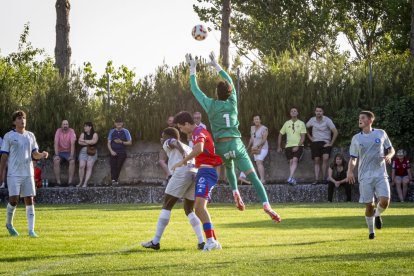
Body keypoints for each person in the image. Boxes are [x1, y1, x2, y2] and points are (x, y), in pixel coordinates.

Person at [186, 52, 281, 223]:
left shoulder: (211, 104)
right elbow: (229, 81)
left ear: (216, 93)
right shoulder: (233, 102)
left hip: (221, 147)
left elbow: (195, 89)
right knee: (253, 177)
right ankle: (267, 205)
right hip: (236, 144)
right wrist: (217, 66)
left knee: (229, 167)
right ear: (230, 92)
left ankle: (235, 192)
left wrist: (193, 68)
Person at [141, 127, 204, 250]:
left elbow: (174, 142)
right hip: (194, 173)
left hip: (182, 172)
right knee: (189, 209)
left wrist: (181, 152)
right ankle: (201, 241)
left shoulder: (169, 142)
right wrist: (184, 152)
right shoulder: (188, 146)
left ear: (167, 136)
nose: (161, 138)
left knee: (167, 205)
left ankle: (155, 241)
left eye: (163, 135)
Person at [171, 111, 223, 251]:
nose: (181, 130)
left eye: (181, 127)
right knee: (200, 208)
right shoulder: (198, 132)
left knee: (199, 207)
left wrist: (183, 161)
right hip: (204, 172)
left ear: (187, 124)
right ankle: (213, 241)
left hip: (207, 172)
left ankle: (211, 241)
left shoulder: (197, 132)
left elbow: (199, 149)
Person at [347, 111, 395, 240]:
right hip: (365, 176)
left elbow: (391, 149)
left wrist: (389, 156)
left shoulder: (381, 133)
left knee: (385, 201)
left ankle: (377, 214)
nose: (360, 120)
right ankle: (371, 232)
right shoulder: (356, 138)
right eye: (359, 118)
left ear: (370, 120)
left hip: (380, 173)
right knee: (369, 205)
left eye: (362, 118)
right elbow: (353, 158)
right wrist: (350, 171)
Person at [0, 110, 48, 237]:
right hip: (14, 174)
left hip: (28, 173)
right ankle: (9, 224)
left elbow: (34, 154)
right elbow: (4, 156)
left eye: (24, 118)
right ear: (14, 121)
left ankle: (31, 230)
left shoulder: (30, 136)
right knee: (14, 200)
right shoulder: (8, 136)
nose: (22, 120)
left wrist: (42, 154)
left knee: (30, 199)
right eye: (19, 118)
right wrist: (1, 174)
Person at [306, 106, 338, 184]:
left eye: (320, 111)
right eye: (317, 111)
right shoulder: (312, 120)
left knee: (325, 158)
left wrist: (330, 144)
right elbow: (304, 128)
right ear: (315, 112)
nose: (318, 113)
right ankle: (316, 179)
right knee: (316, 160)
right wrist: (310, 138)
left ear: (323, 112)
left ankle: (324, 178)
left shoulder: (327, 120)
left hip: (325, 142)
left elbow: (335, 132)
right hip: (315, 142)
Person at [277, 107, 307, 185]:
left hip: (298, 145)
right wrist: (279, 146)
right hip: (288, 146)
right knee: (290, 162)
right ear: (290, 113)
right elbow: (280, 134)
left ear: (297, 113)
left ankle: (290, 177)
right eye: (292, 111)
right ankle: (292, 179)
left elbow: (303, 137)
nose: (293, 112)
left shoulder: (301, 123)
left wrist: (298, 146)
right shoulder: (287, 123)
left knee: (295, 160)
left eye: (295, 111)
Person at [107, 118, 132, 185]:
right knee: (113, 166)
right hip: (113, 151)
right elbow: (108, 143)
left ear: (122, 123)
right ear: (115, 124)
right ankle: (113, 181)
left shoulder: (126, 131)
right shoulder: (112, 131)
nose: (118, 123)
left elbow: (130, 143)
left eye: (120, 122)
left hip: (121, 151)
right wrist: (111, 151)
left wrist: (121, 142)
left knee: (118, 165)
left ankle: (115, 180)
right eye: (117, 122)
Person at [246, 114, 269, 183]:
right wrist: (247, 147)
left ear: (260, 120)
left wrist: (258, 146)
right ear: (253, 121)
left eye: (257, 119)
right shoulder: (252, 128)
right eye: (255, 119)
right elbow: (251, 139)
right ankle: (260, 179)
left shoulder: (264, 128)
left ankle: (262, 179)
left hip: (263, 148)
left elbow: (264, 139)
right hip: (255, 149)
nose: (256, 120)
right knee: (257, 163)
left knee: (259, 161)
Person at [53, 120, 76, 186]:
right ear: (61, 125)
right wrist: (57, 155)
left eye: (66, 124)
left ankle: (70, 182)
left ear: (68, 125)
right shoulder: (58, 131)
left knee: (72, 161)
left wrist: (71, 155)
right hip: (60, 152)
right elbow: (56, 143)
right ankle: (58, 182)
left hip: (69, 152)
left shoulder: (72, 131)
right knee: (56, 161)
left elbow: (73, 144)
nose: (65, 126)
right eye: (64, 124)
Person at [77, 122, 99, 188]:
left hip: (92, 151)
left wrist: (84, 141)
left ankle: (85, 183)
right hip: (83, 152)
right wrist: (89, 142)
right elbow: (79, 142)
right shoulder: (83, 134)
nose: (85, 127)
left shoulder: (95, 134)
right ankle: (80, 182)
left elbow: (94, 142)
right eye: (84, 126)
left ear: (90, 127)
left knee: (89, 166)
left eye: (86, 126)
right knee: (81, 166)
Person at [159, 116, 175, 185]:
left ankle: (167, 178)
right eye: (169, 120)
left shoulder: (177, 129)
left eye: (172, 120)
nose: (171, 122)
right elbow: (162, 140)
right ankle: (169, 175)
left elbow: (178, 140)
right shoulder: (165, 130)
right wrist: (162, 141)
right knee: (161, 161)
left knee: (171, 163)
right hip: (165, 147)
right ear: (167, 121)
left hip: (173, 148)